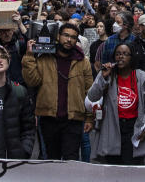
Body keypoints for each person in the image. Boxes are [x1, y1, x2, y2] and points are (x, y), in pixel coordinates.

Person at [21, 22, 94, 160]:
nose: (69, 40)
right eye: (66, 35)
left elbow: (89, 91)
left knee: (70, 159)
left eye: (73, 37)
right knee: (51, 160)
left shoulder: (83, 62)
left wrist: (89, 117)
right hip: (49, 118)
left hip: (74, 119)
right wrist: (29, 56)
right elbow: (32, 81)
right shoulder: (44, 58)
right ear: (58, 36)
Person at [87, 40, 145, 165]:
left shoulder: (143, 78)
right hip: (112, 127)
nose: (121, 56)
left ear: (131, 58)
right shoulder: (108, 75)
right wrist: (102, 77)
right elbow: (92, 96)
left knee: (133, 168)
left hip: (134, 128)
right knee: (113, 168)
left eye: (125, 54)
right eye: (118, 54)